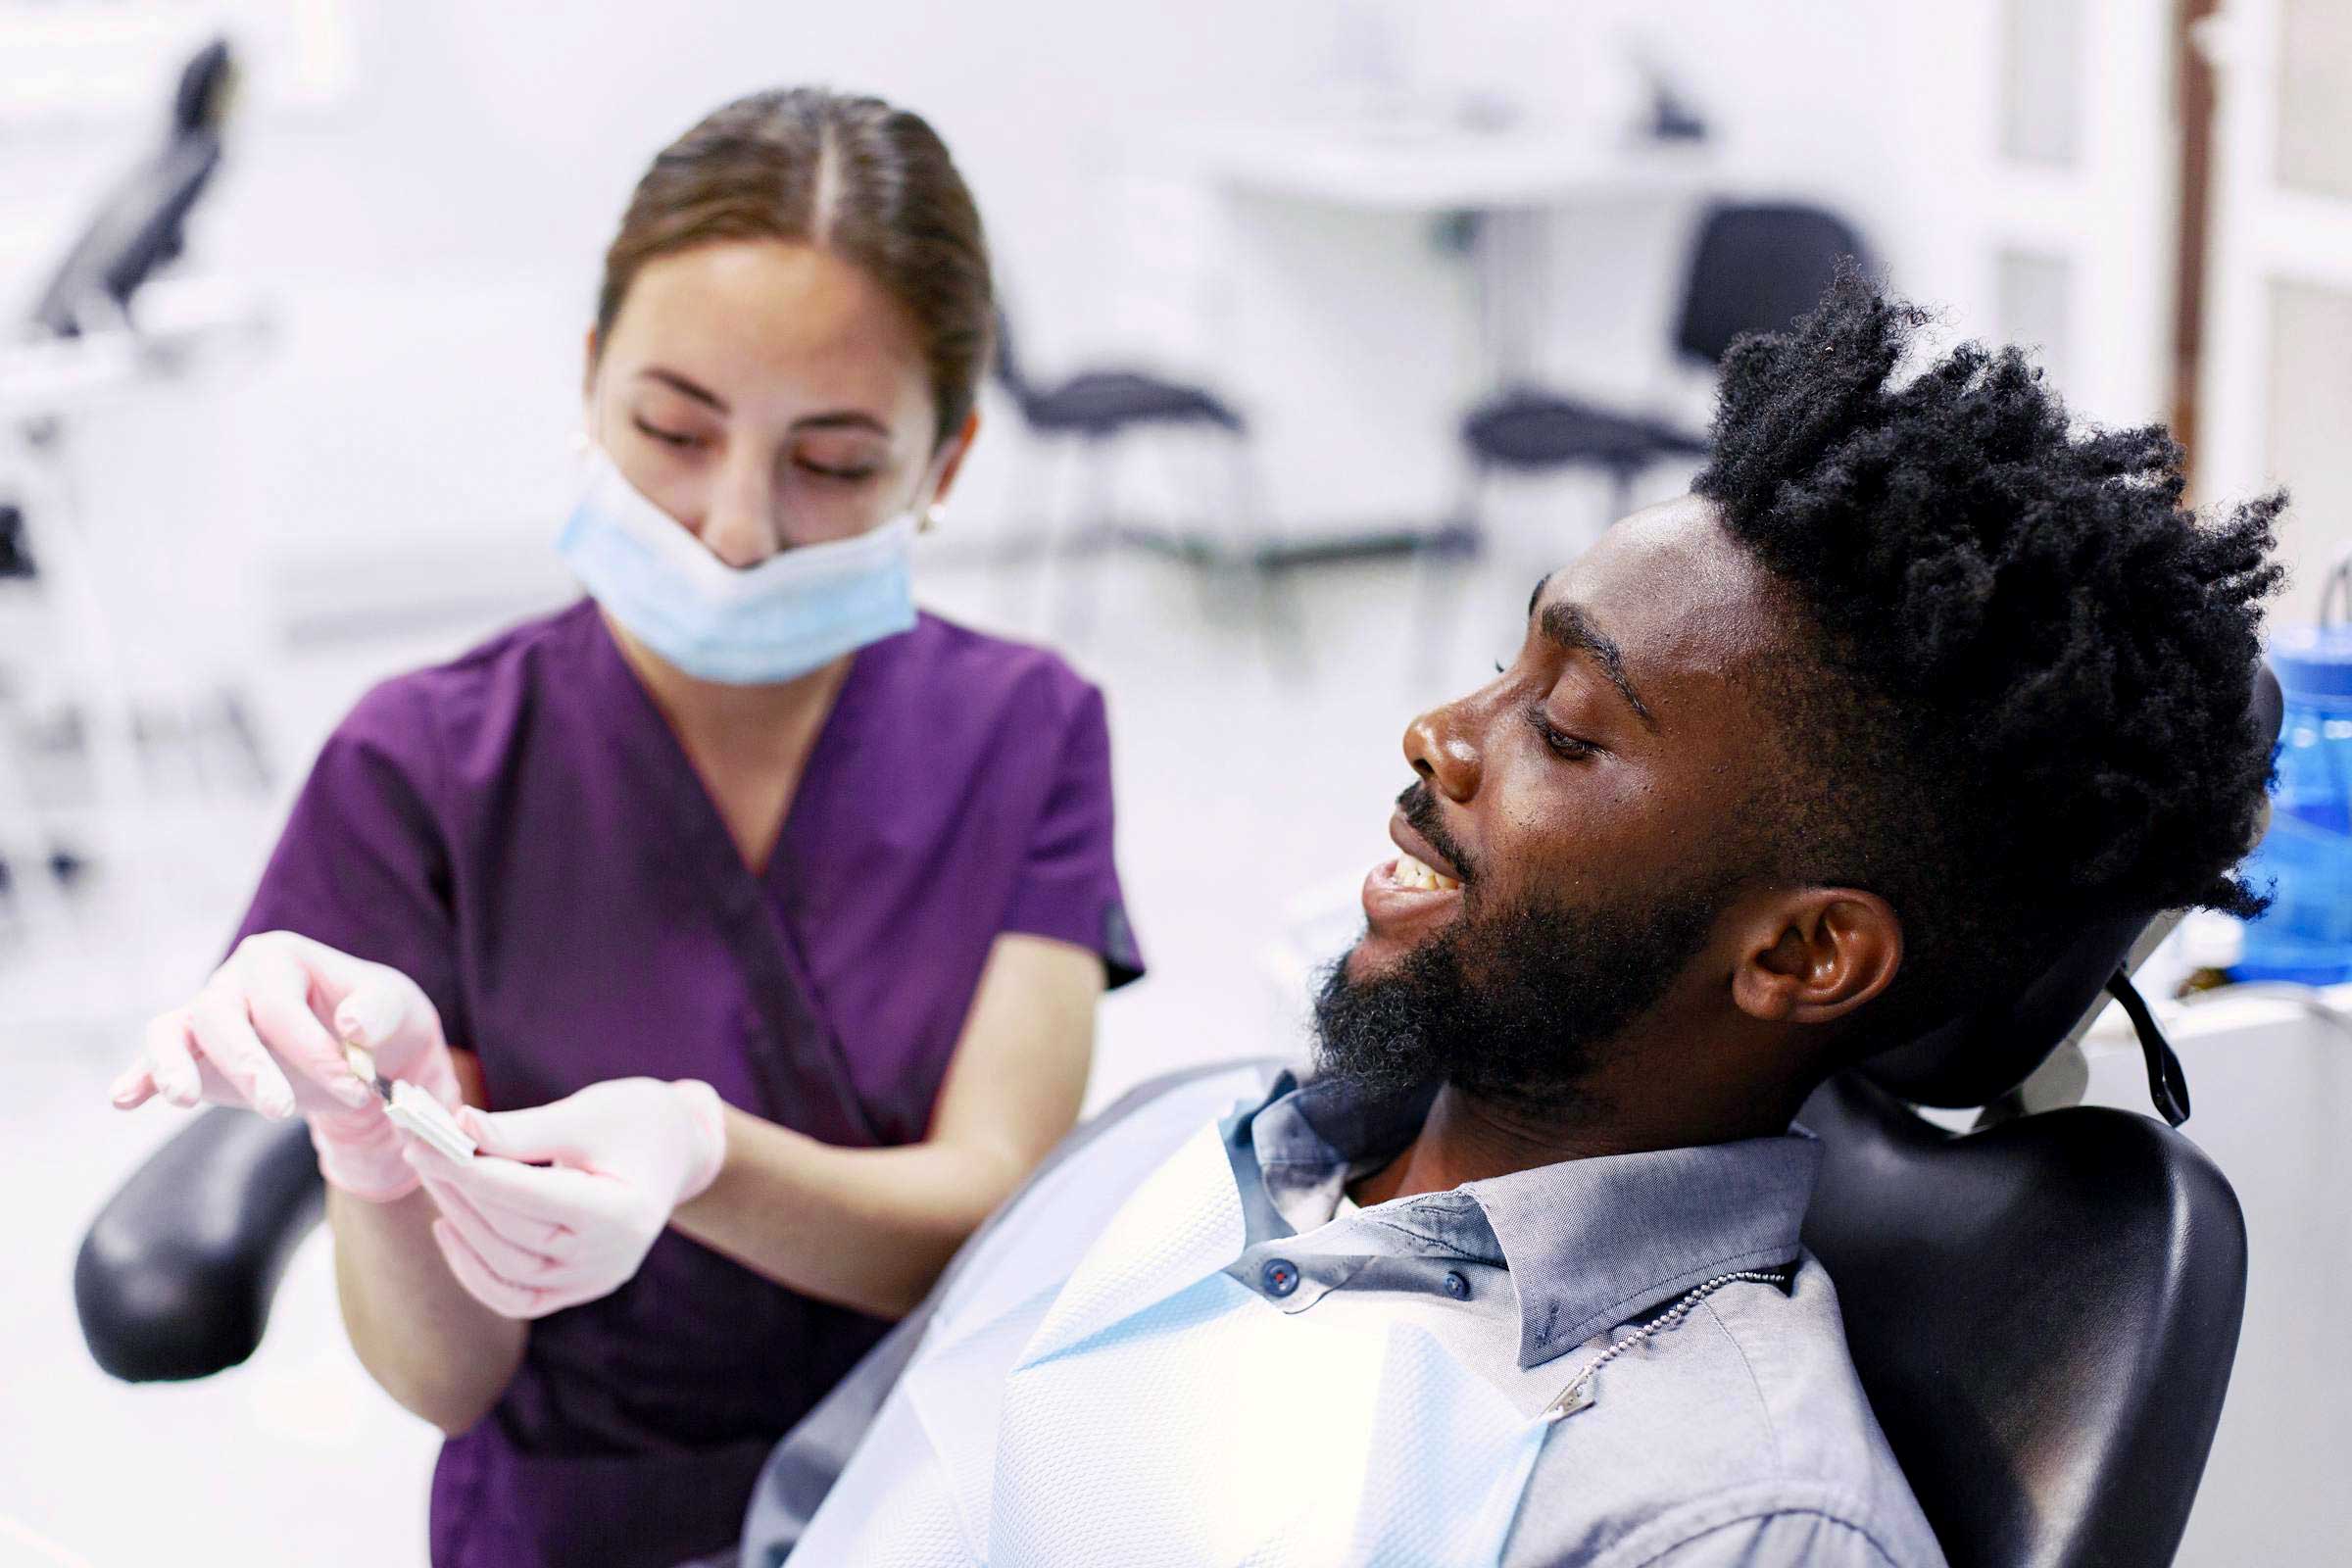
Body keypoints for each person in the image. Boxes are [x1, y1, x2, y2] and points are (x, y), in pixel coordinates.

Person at [737, 272, 2281, 1566]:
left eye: (1569, 727)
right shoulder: (1184, 1142)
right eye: (1504, 662)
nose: (1439, 732)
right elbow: (811, 1513)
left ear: (1802, 953)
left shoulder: (1717, 1517)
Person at [106, 87, 1143, 1568]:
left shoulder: (1029, 727)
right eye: (673, 427)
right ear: (592, 384)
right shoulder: (425, 766)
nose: (735, 524)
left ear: (949, 464)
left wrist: (701, 1151)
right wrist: (376, 1150)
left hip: (923, 1502)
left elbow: (977, 1217)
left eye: (834, 462)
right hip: (575, 1526)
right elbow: (446, 1376)